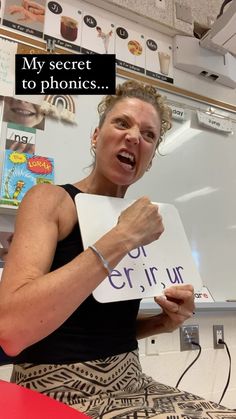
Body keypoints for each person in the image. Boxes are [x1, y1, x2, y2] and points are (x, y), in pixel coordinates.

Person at [0, 80, 233, 418]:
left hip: (132, 383)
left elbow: (94, 326)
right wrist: (121, 237)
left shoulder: (145, 223)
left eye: (149, 135)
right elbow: (10, 331)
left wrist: (162, 323)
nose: (135, 137)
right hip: (54, 392)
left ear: (149, 160)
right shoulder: (50, 200)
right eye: (122, 123)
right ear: (95, 137)